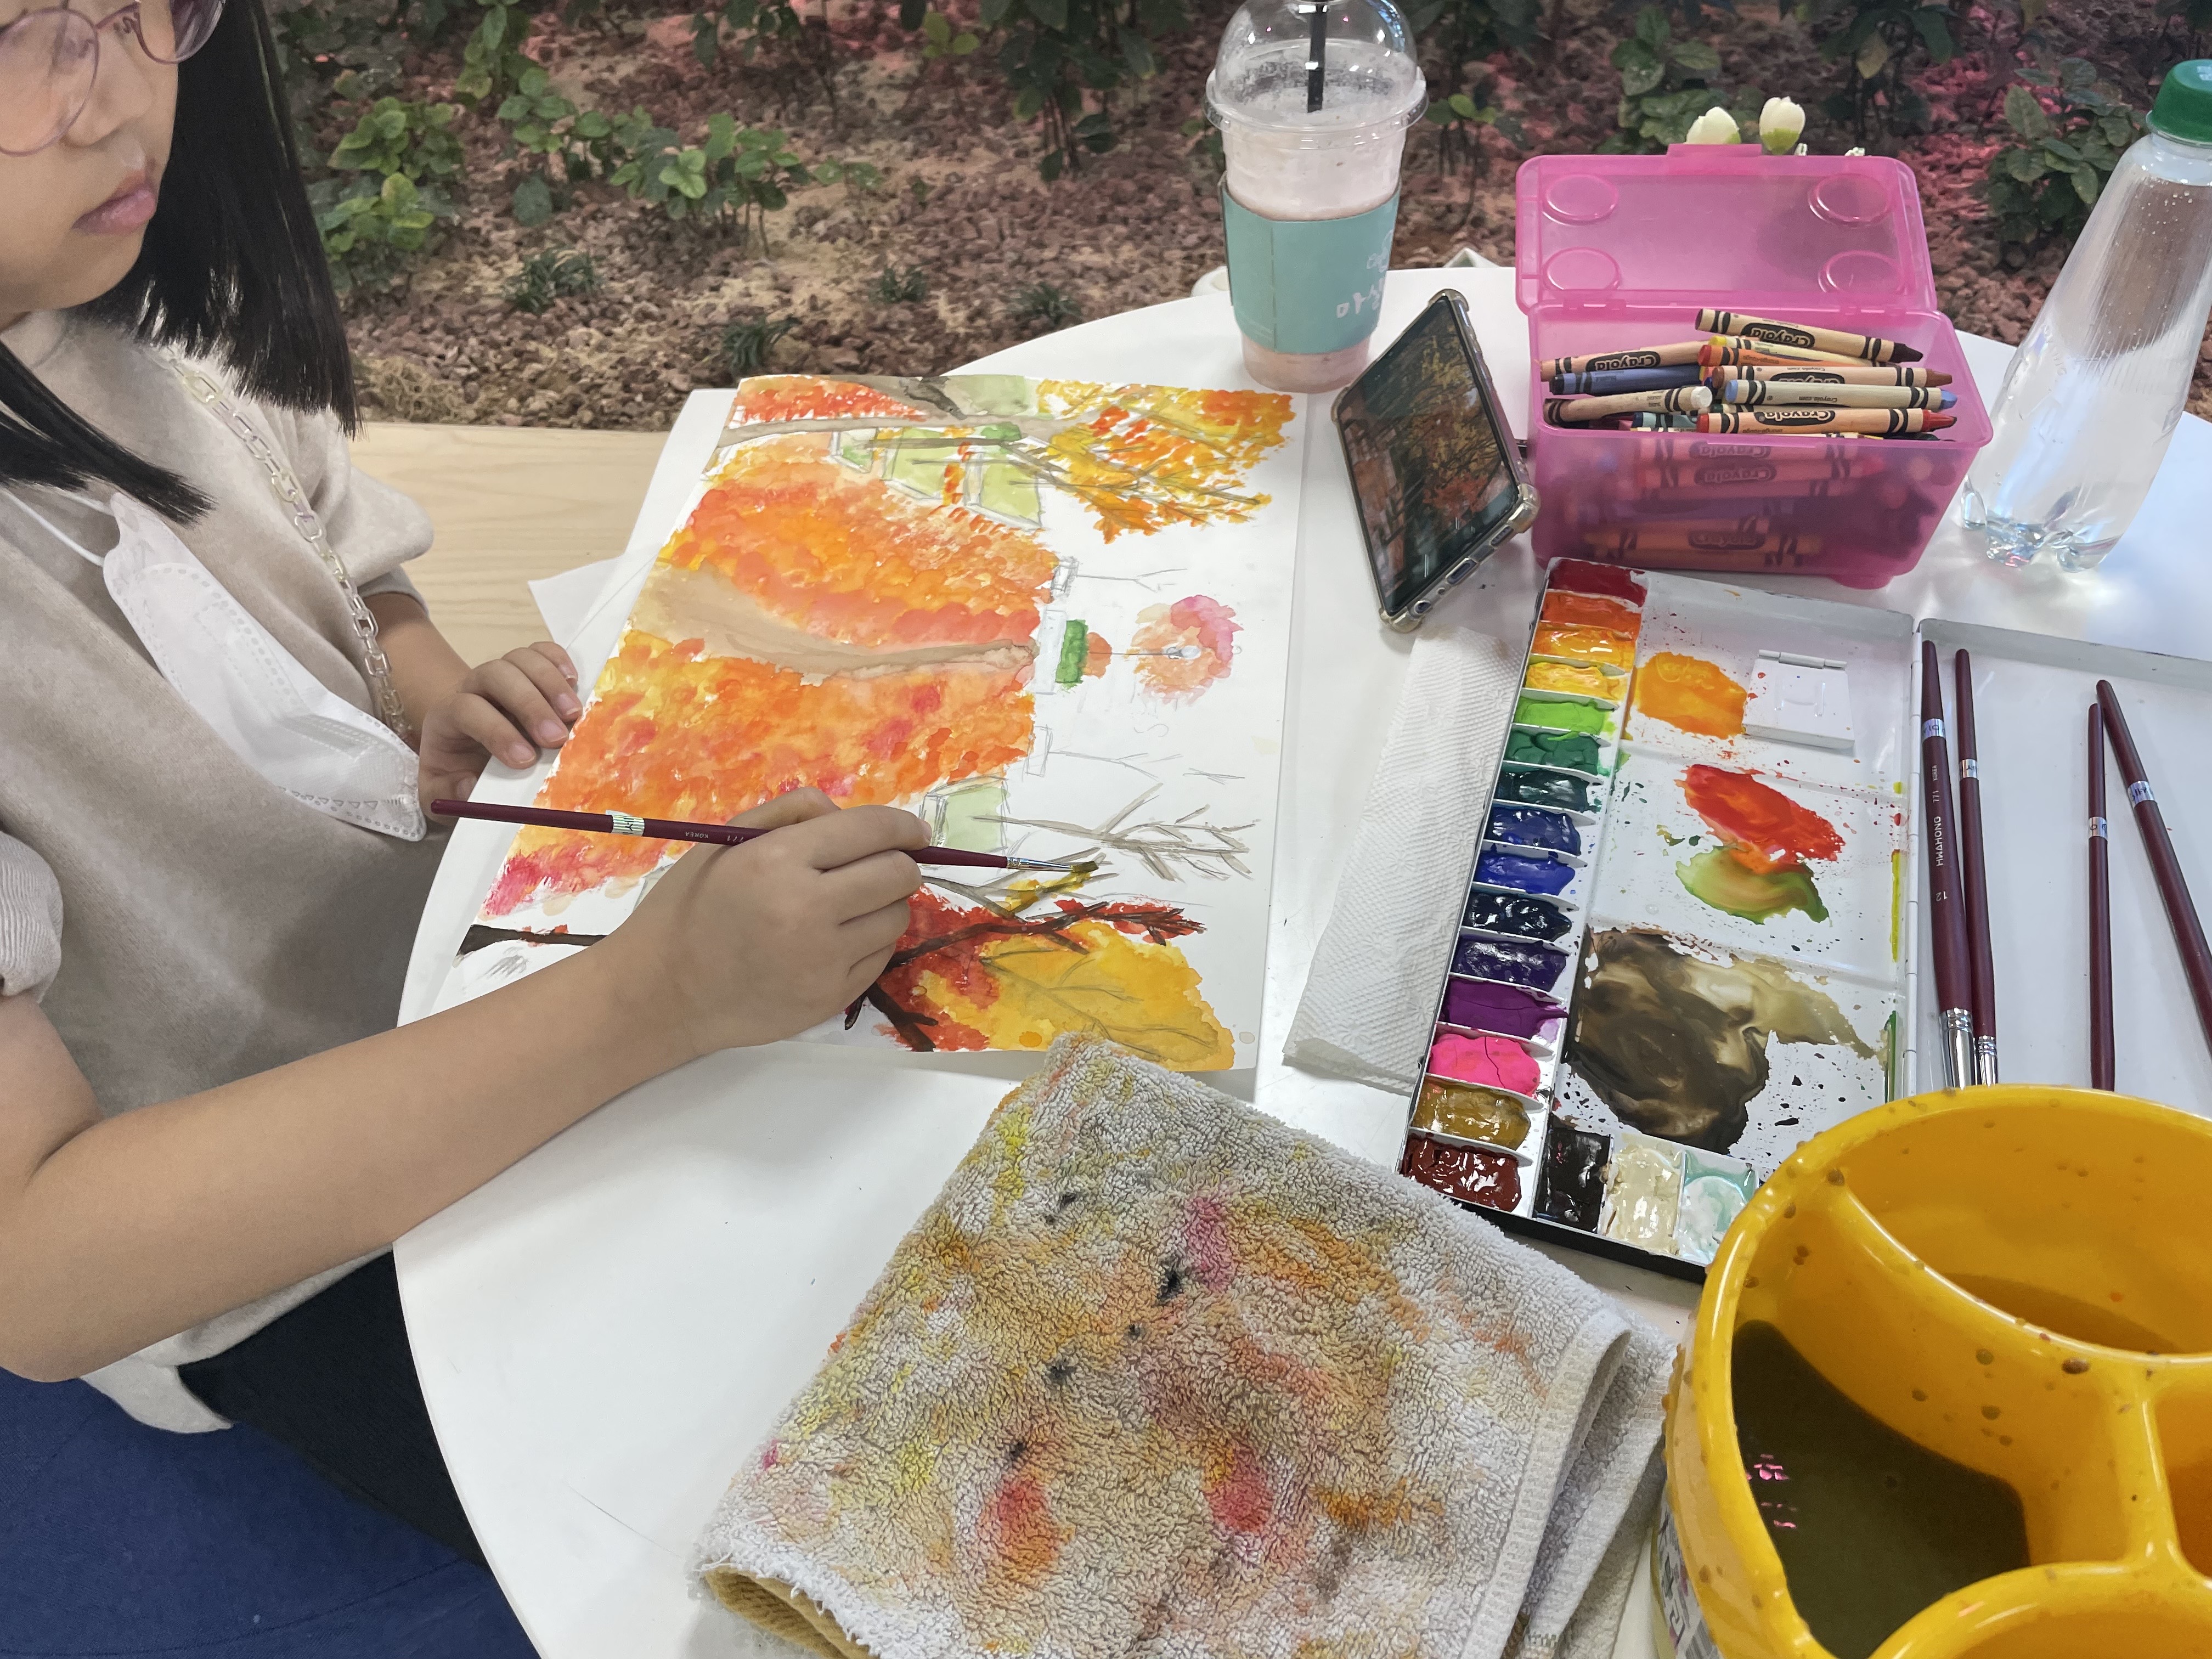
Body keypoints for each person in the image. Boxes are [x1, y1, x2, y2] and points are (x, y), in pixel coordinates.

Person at [0, 0, 927, 1570]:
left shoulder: (131, 288)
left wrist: (431, 700)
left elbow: (354, 581)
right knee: (839, 1500)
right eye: (18, 34)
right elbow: (41, 1271)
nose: (119, 95)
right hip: (275, 1252)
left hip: (493, 972)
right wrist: (649, 1002)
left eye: (137, 4)